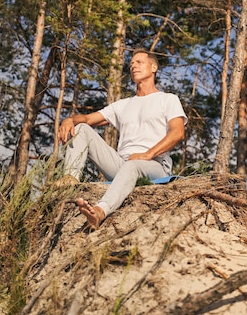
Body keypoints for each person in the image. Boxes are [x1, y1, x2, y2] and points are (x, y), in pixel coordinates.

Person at [56, 48, 187, 229]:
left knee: (133, 164)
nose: (133, 66)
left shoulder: (168, 99)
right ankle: (70, 177)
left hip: (155, 164)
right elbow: (87, 119)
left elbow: (177, 133)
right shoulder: (123, 105)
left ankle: (100, 211)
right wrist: (69, 119)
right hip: (122, 163)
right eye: (131, 64)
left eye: (139, 62)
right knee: (81, 129)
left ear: (153, 67)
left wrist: (148, 154)